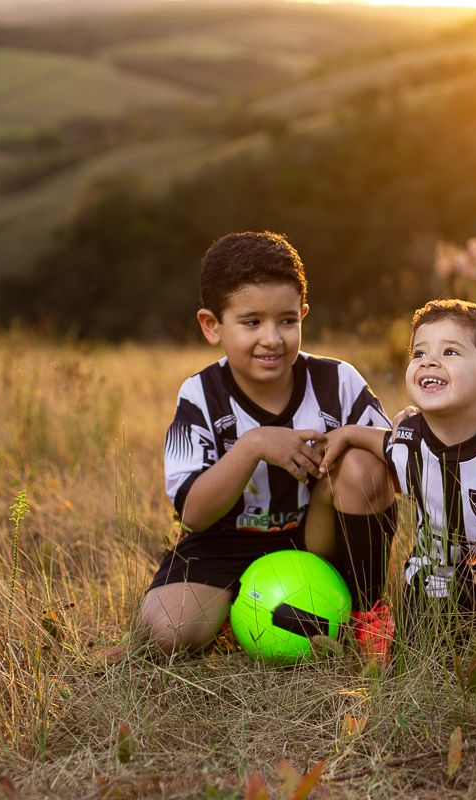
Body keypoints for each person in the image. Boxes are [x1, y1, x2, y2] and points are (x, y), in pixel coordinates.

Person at [139, 231, 397, 658]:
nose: (272, 339)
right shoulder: (200, 395)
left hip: (316, 536)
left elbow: (396, 474)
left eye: (287, 320)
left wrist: (359, 438)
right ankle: (232, 612)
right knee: (163, 635)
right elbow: (195, 514)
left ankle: (367, 611)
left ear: (303, 316)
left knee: (363, 465)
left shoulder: (339, 382)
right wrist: (253, 444)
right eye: (251, 321)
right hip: (223, 540)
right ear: (211, 326)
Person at [319, 299, 476, 648]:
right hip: (435, 571)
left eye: (451, 352)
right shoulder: (411, 435)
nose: (428, 360)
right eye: (418, 353)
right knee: (417, 665)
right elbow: (384, 444)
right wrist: (348, 434)